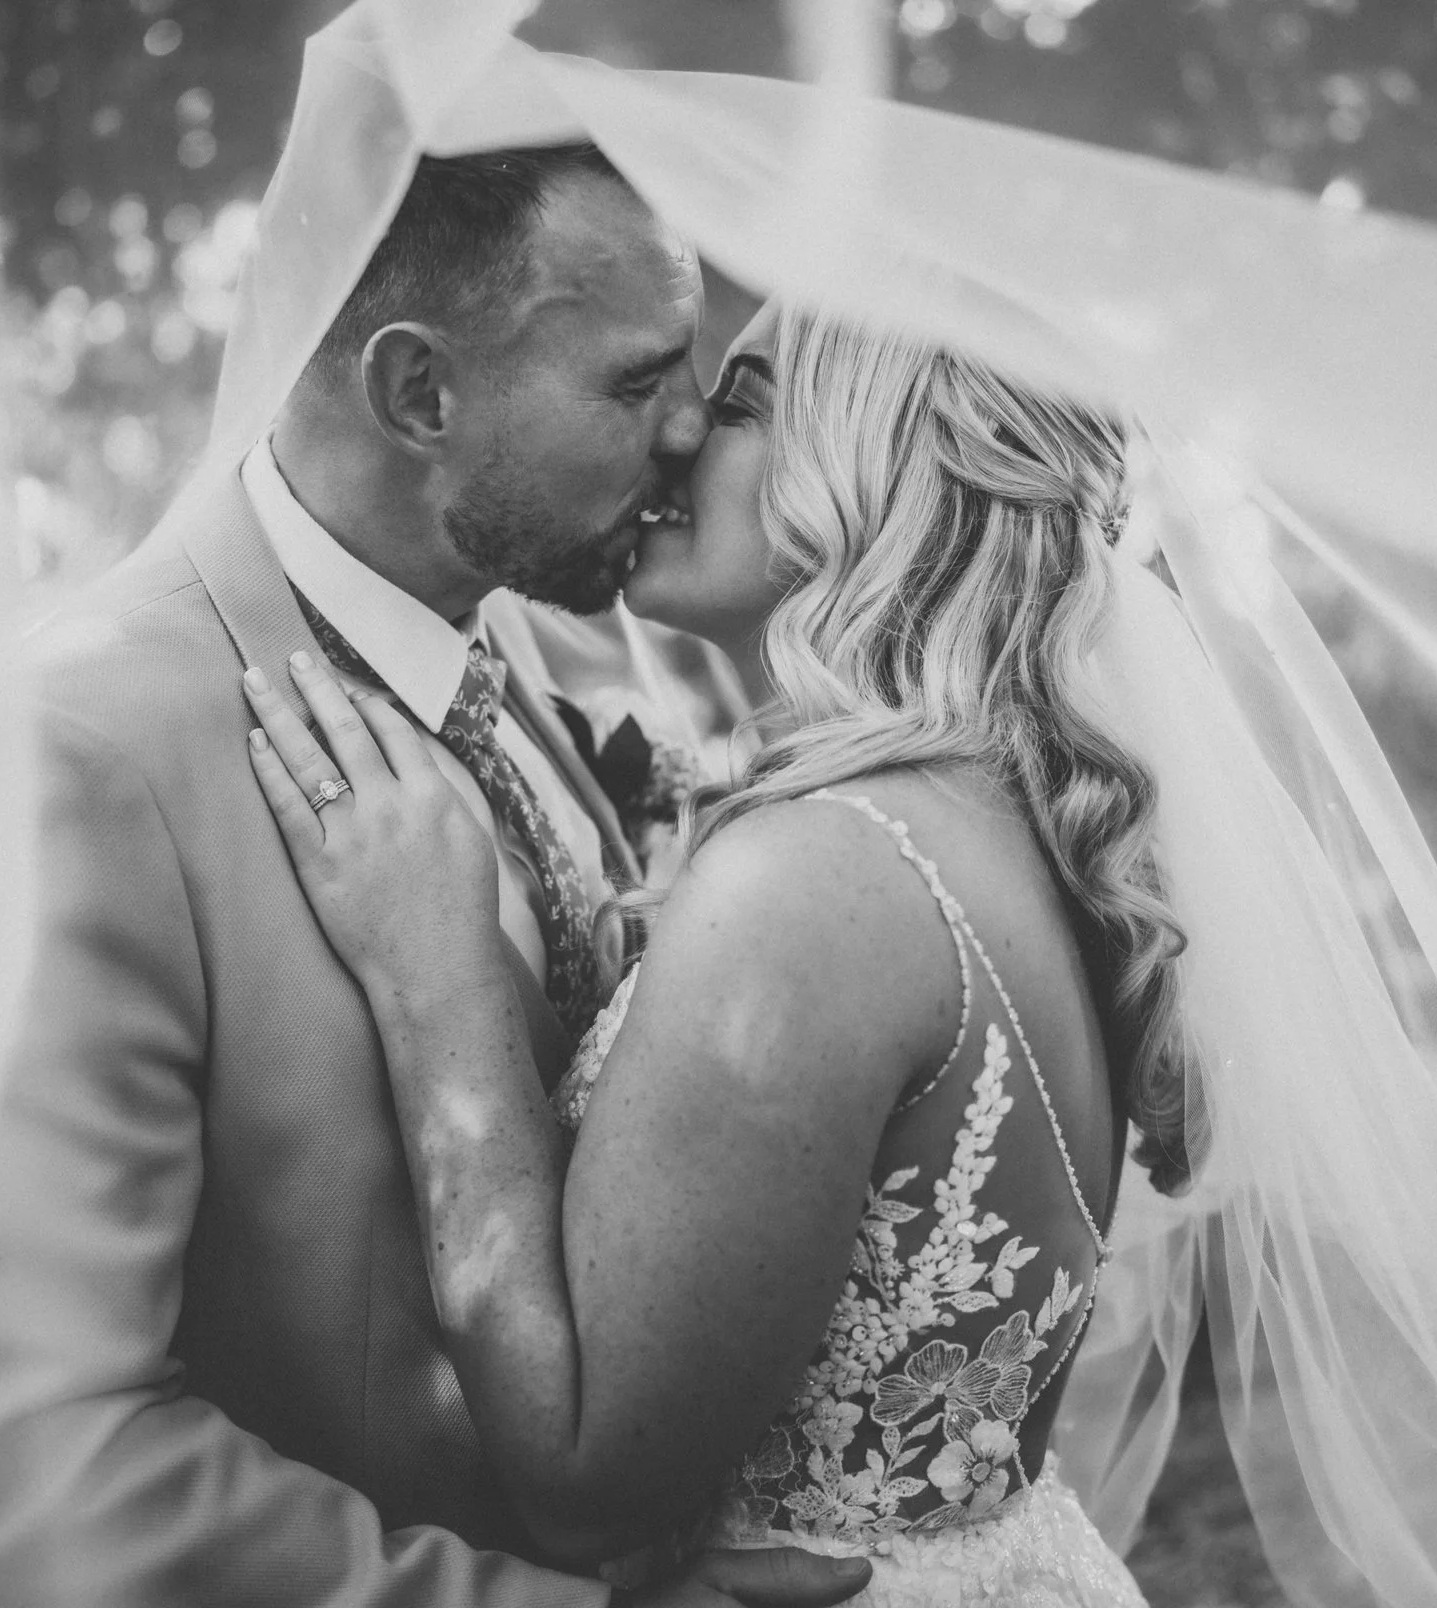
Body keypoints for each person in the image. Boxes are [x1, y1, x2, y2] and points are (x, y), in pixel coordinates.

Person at [0, 141, 870, 1608]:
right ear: (421, 395)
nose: (697, 430)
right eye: (636, 386)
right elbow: (50, 1465)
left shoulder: (505, 655)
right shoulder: (72, 763)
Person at [241, 304, 1166, 1608]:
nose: (674, 437)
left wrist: (434, 968)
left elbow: (579, 1474)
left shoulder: (819, 876)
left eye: (738, 406)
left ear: (874, 475)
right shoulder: (1002, 831)